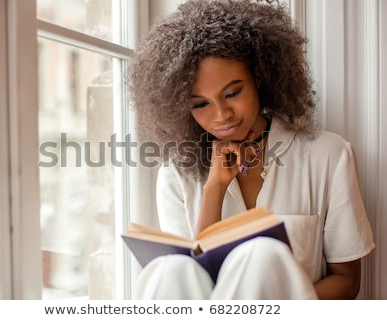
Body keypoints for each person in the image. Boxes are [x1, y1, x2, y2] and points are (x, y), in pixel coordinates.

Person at [127, 0, 375, 299]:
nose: (222, 115)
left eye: (233, 93)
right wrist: (214, 189)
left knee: (261, 255)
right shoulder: (176, 171)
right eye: (201, 104)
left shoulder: (329, 155)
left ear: (257, 78)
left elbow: (346, 279)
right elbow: (190, 282)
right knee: (170, 269)